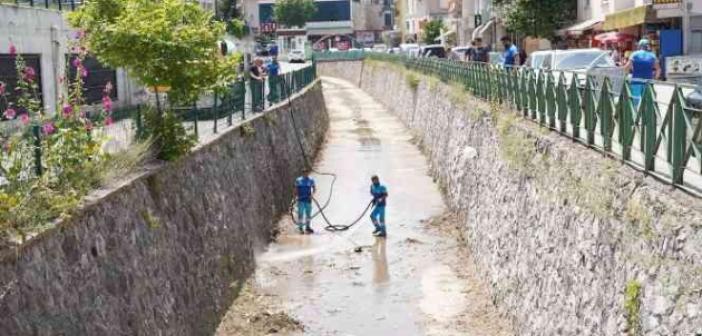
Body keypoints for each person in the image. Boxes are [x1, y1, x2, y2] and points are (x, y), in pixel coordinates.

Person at [623, 39, 661, 107]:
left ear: (639, 46)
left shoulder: (634, 54)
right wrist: (655, 78)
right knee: (648, 104)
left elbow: (626, 67)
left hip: (636, 82)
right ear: (647, 46)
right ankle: (646, 117)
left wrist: (627, 76)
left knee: (634, 103)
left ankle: (634, 116)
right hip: (648, 82)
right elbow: (658, 69)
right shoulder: (652, 56)